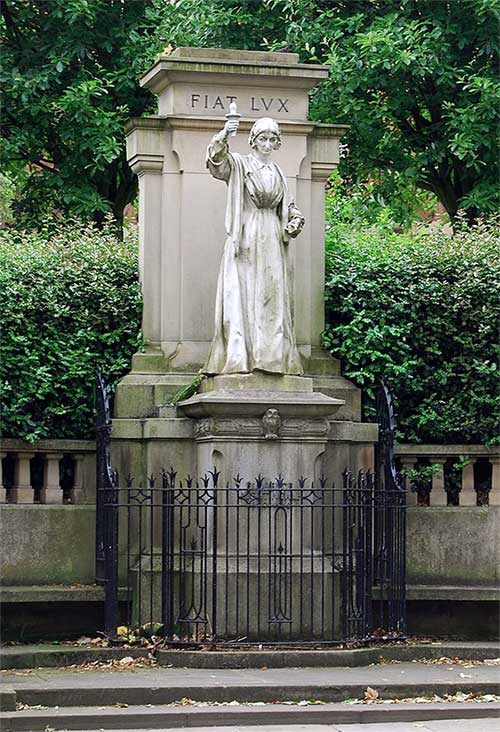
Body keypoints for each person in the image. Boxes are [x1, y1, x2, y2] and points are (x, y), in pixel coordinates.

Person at [203, 116, 305, 376]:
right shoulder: (240, 164)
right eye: (263, 139)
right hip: (247, 235)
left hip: (272, 237)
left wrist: (296, 220)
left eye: (272, 139)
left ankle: (271, 359)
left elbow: (289, 207)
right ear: (254, 140)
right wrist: (224, 134)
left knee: (270, 298)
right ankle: (242, 358)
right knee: (245, 295)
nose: (267, 144)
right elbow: (217, 163)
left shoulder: (279, 173)